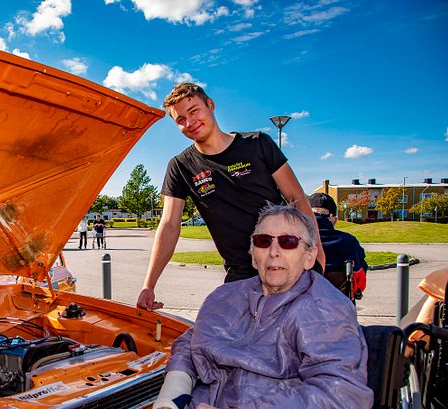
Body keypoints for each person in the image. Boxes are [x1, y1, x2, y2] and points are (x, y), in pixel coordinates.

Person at [150, 204, 372, 409]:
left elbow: (340, 393)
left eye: (288, 242)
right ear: (253, 254)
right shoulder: (224, 298)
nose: (274, 252)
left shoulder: (325, 309)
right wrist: (169, 402)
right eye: (263, 241)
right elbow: (188, 349)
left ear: (309, 257)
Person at [137, 82, 324, 311]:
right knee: (235, 342)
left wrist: (319, 256)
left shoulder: (257, 144)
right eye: (180, 120)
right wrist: (149, 285)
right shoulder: (181, 167)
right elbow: (169, 225)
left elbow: (297, 198)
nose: (190, 122)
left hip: (288, 266)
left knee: (299, 340)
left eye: (194, 111)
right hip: (241, 276)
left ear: (210, 105)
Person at [309, 192, 368, 298]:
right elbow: (360, 284)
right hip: (340, 309)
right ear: (334, 220)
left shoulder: (295, 242)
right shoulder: (350, 243)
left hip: (302, 311)